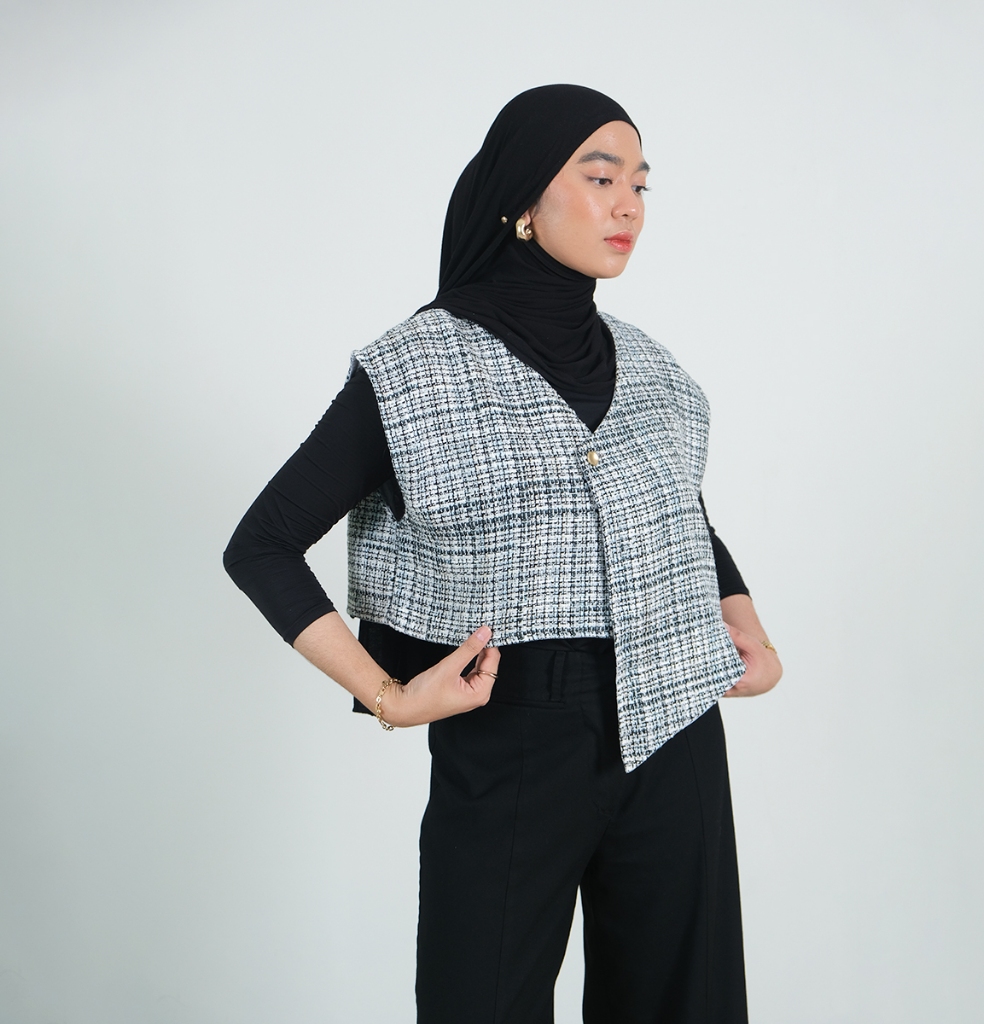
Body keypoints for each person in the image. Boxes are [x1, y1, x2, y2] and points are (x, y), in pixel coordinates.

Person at [224, 84, 782, 1024]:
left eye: (641, 184)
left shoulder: (655, 369)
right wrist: (390, 694)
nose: (628, 206)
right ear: (523, 202)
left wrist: (747, 627)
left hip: (678, 723)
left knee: (686, 1004)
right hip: (514, 730)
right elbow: (263, 545)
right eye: (600, 178)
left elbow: (682, 516)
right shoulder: (415, 370)